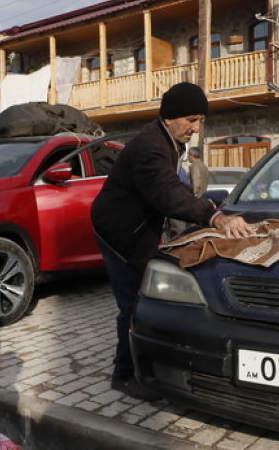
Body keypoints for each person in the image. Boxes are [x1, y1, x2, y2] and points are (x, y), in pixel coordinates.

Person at [91, 82, 252, 401]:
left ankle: (144, 364)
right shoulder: (150, 146)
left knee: (144, 299)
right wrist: (214, 217)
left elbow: (173, 189)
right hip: (119, 234)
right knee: (134, 306)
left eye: (201, 120)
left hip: (138, 229)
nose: (197, 127)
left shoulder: (168, 141)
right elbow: (167, 193)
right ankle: (124, 375)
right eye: (191, 119)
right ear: (169, 117)